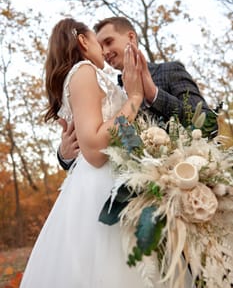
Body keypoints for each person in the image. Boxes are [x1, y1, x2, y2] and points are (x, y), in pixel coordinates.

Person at [19, 18, 164, 288]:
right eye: (98, 42)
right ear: (83, 41)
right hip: (103, 185)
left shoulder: (86, 76)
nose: (103, 51)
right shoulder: (83, 71)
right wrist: (133, 99)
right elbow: (96, 148)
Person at [57, 16, 212, 170]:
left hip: (182, 173)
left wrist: (153, 94)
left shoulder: (169, 70)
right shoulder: (106, 92)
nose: (104, 51)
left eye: (109, 42)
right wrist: (63, 156)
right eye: (100, 46)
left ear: (131, 37)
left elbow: (208, 125)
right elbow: (94, 139)